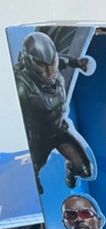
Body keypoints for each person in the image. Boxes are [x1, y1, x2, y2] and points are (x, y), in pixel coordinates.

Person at [14, 32, 95, 193]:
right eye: (43, 66)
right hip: (37, 141)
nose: (50, 72)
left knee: (86, 170)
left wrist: (78, 62)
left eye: (52, 65)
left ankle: (71, 170)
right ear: (30, 62)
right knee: (34, 190)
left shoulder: (52, 65)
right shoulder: (22, 85)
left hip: (58, 129)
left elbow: (63, 61)